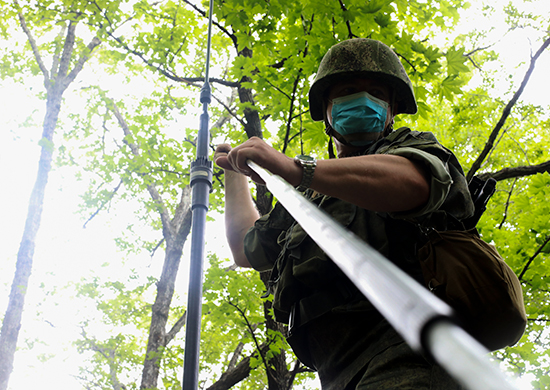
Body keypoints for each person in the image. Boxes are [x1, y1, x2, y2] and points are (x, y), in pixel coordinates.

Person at [214, 38, 474, 390]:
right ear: (328, 109)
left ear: (391, 108)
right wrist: (233, 171)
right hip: (336, 371)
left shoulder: (412, 149)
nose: (363, 100)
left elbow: (415, 183)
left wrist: (296, 168)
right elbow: (247, 248)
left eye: (376, 92)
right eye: (349, 90)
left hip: (409, 352)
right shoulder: (306, 197)